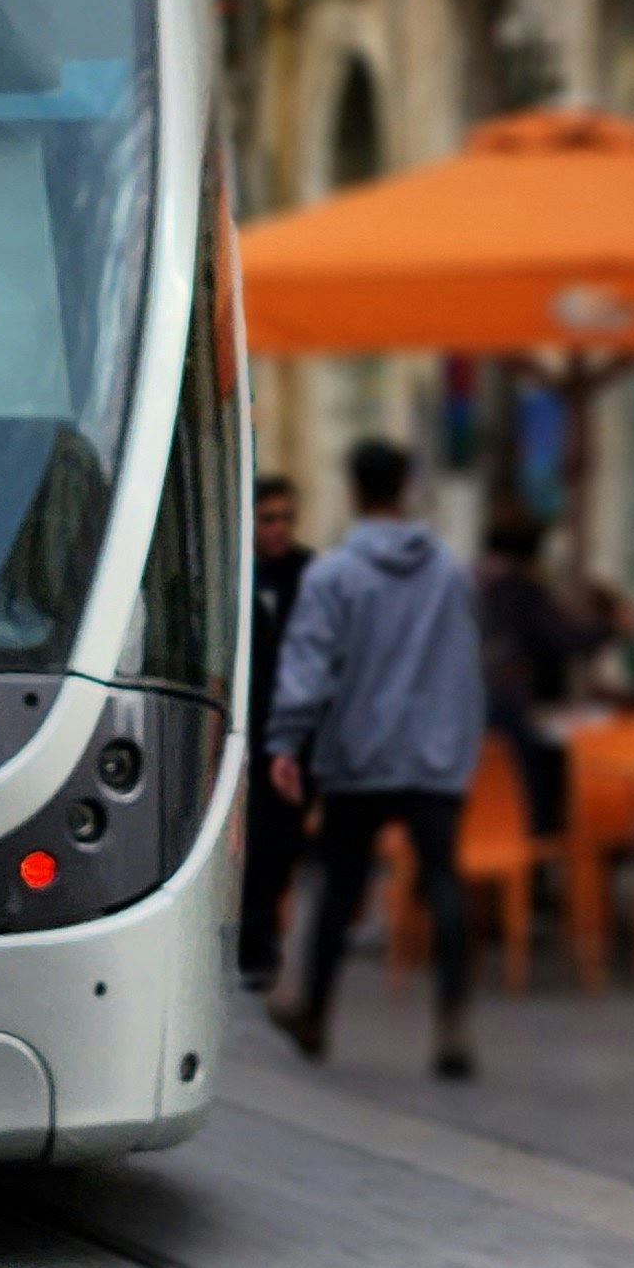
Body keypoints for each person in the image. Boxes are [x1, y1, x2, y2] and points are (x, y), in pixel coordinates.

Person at [267, 437, 489, 1080]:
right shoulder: (450, 572)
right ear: (408, 489)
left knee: (340, 886)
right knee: (443, 882)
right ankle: (453, 1024)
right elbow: (467, 664)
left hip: (357, 753)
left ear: (353, 491)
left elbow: (308, 664)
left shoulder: (333, 574)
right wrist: (460, 743)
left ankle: (315, 1014)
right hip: (434, 756)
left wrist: (286, 739)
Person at [473, 515, 617, 836]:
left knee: (493, 788)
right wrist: (609, 627)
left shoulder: (477, 587)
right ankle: (532, 849)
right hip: (514, 707)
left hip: (479, 702)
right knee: (529, 791)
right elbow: (560, 637)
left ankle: (498, 845)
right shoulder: (521, 591)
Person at [238, 473, 315, 988]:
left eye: (286, 518)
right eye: (268, 519)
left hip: (297, 733)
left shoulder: (309, 575)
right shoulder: (234, 574)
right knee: (252, 842)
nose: (279, 529)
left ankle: (262, 941)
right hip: (246, 731)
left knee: (282, 844)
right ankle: (252, 944)